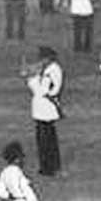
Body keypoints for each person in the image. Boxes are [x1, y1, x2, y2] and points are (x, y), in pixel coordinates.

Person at [27, 47, 63, 177]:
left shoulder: (53, 70)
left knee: (46, 141)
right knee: (44, 141)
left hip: (46, 111)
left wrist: (31, 78)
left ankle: (49, 167)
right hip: (41, 111)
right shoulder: (47, 70)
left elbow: (42, 91)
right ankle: (47, 166)